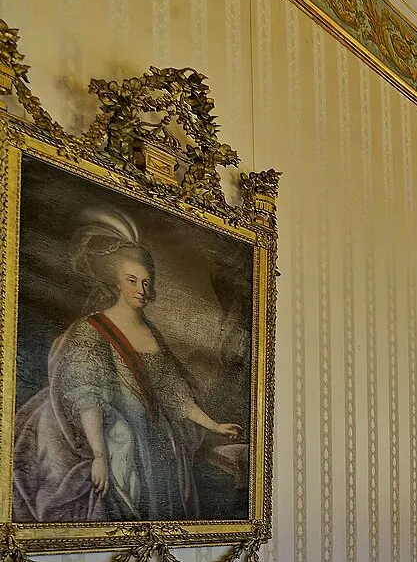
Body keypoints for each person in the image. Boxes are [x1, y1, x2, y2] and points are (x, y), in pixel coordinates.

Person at [12, 205, 243, 523]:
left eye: (146, 282)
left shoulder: (150, 332)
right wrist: (98, 454)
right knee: (125, 448)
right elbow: (87, 394)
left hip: (157, 440)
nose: (141, 290)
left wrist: (214, 426)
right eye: (132, 280)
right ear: (116, 283)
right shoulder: (92, 328)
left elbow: (174, 393)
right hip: (116, 435)